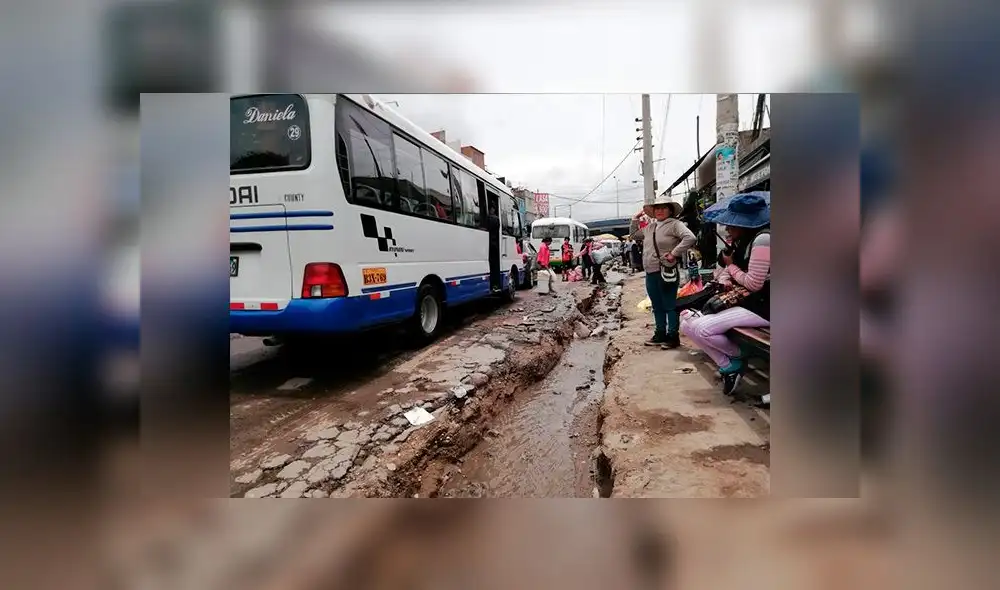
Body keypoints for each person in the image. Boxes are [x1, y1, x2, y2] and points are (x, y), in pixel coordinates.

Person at [679, 193, 770, 394]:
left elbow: (754, 284)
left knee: (702, 329)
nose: (727, 228)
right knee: (686, 324)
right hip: (749, 302)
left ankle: (738, 357)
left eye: (732, 223)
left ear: (745, 223)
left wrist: (732, 267)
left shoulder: (763, 240)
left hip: (765, 306)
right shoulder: (744, 242)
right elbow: (727, 273)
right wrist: (727, 276)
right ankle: (729, 364)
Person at [632, 196, 696, 349]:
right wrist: (635, 219)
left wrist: (674, 253)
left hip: (666, 270)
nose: (660, 211)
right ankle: (660, 334)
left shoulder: (675, 224)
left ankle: (672, 336)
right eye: (657, 208)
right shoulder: (650, 227)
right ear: (653, 211)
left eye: (663, 208)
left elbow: (690, 238)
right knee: (656, 305)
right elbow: (634, 235)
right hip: (650, 272)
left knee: (669, 305)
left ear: (670, 210)